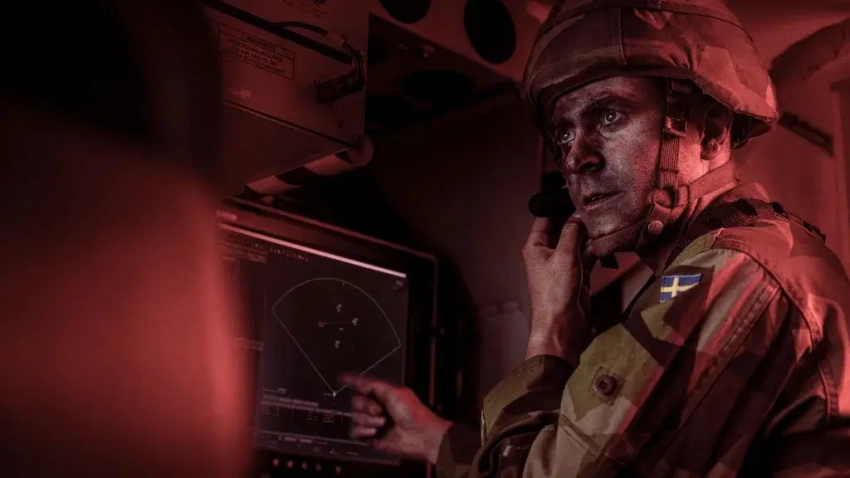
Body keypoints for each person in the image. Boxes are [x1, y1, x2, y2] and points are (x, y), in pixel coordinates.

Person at [341, 0, 850, 476]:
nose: (575, 158)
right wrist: (431, 438)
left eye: (609, 115)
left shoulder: (735, 271)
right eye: (563, 132)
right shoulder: (742, 255)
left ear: (710, 132)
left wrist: (550, 334)